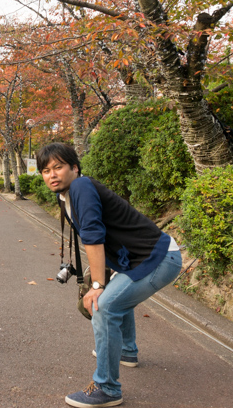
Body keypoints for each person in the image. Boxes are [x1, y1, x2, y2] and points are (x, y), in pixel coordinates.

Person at [37, 142, 182, 408]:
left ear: (74, 167)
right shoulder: (66, 195)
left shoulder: (80, 187)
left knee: (103, 306)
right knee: (115, 299)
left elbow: (93, 236)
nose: (52, 175)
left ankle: (107, 389)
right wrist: (107, 274)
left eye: (58, 167)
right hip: (140, 258)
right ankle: (126, 351)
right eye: (46, 171)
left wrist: (97, 284)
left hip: (158, 258)